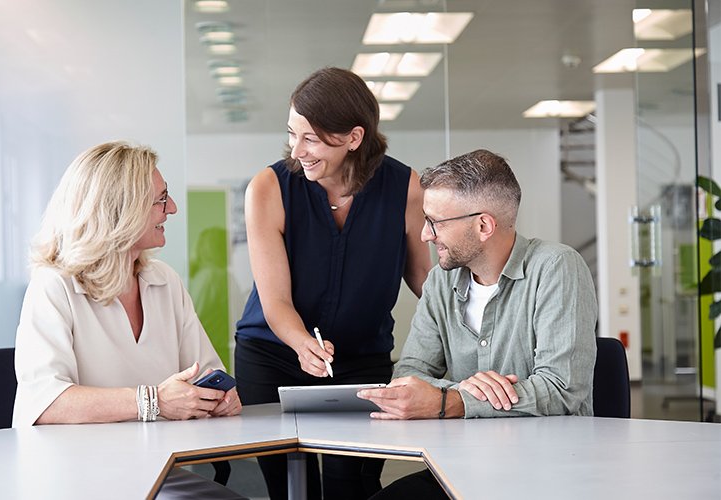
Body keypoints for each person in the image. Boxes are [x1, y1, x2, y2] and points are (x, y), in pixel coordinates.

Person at [234, 67, 432, 500]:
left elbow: (423, 277)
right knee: (291, 490)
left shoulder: (405, 187)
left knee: (354, 486)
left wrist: (472, 325)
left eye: (311, 138)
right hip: (275, 357)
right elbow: (276, 299)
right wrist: (302, 342)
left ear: (354, 137)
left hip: (362, 361)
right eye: (292, 134)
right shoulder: (269, 188)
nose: (297, 149)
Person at [357, 149, 598, 499]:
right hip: (461, 465)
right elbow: (409, 372)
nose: (425, 235)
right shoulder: (441, 281)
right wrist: (465, 390)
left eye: (435, 222)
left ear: (483, 225)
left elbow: (561, 390)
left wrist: (451, 401)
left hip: (548, 469)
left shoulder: (556, 268)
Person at [12, 142, 243, 498]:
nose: (173, 208)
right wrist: (154, 401)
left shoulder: (164, 281)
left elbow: (204, 375)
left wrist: (219, 399)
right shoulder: (54, 286)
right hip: (72, 475)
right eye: (161, 199)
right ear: (120, 210)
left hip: (156, 468)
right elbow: (45, 403)